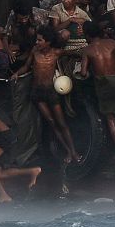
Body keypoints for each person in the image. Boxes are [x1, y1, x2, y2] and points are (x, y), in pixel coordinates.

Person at [77, 20, 115, 162]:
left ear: (87, 35)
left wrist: (83, 71)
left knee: (111, 119)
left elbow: (84, 72)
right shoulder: (111, 43)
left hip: (102, 84)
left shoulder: (88, 50)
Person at [19, 29, 78, 163]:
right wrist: (17, 74)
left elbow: (75, 54)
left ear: (48, 42)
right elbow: (26, 67)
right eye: (37, 40)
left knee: (62, 123)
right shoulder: (34, 52)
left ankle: (73, 151)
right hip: (37, 92)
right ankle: (68, 151)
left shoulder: (57, 53)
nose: (37, 42)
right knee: (51, 122)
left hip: (51, 92)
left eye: (40, 40)